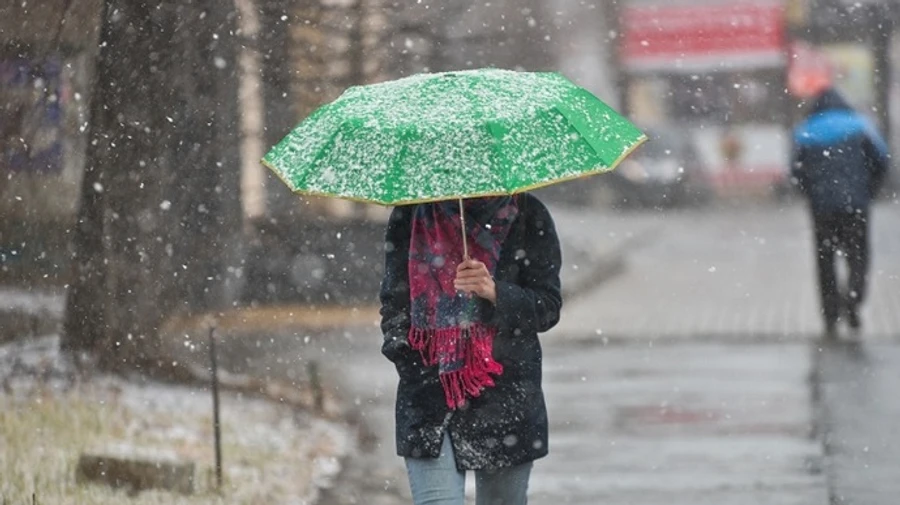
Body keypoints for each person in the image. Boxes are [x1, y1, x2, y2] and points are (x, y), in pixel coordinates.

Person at [379, 193, 562, 505]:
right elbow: (395, 303)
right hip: (429, 394)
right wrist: (410, 359)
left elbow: (547, 307)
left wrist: (494, 292)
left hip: (504, 393)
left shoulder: (528, 214)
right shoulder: (411, 215)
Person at [791, 87, 889, 337]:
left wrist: (811, 194)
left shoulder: (806, 130)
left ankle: (830, 316)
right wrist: (869, 190)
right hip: (856, 205)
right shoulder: (860, 125)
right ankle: (853, 300)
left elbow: (795, 171)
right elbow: (882, 160)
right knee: (858, 257)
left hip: (822, 209)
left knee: (825, 261)